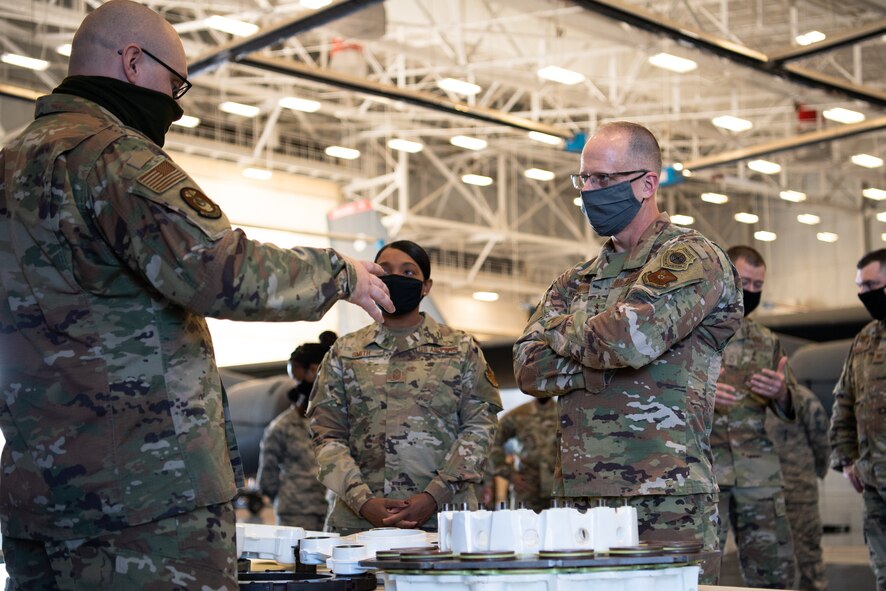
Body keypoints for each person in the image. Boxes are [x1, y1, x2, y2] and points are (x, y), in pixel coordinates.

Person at [0, 2, 394, 588]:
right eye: (174, 82)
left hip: (39, 494)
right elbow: (218, 269)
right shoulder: (114, 156)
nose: (176, 105)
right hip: (144, 495)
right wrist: (339, 274)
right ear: (133, 62)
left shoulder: (11, 164)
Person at [513, 121, 743, 583]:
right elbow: (527, 368)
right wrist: (605, 360)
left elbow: (626, 340)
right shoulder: (574, 280)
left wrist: (569, 335)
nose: (591, 192)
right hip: (579, 502)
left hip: (665, 498)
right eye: (585, 179)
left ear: (647, 184)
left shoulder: (690, 257)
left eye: (604, 179)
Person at [308, 240, 502, 535]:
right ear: (373, 279)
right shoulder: (345, 352)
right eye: (386, 271)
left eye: (409, 273)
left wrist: (433, 496)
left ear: (426, 286)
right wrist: (362, 501)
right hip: (359, 523)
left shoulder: (461, 349)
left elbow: (479, 429)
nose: (397, 278)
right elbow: (327, 435)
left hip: (445, 521)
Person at [712, 245, 798, 588]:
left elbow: (791, 410)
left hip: (758, 476)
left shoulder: (766, 341)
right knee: (696, 573)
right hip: (705, 475)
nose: (750, 291)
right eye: (743, 281)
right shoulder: (689, 334)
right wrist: (699, 393)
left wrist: (781, 393)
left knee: (773, 574)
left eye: (758, 285)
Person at [830, 248, 886, 591]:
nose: (864, 294)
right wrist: (848, 459)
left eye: (872, 285)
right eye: (860, 286)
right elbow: (844, 401)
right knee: (882, 572)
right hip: (874, 482)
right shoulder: (865, 339)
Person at [258, 340, 335, 531]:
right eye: (297, 380)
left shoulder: (339, 422)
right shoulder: (282, 426)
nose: (299, 385)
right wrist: (292, 498)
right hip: (297, 516)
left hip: (334, 512)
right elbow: (267, 478)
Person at [766, 384, 831, 591]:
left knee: (809, 559)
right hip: (763, 494)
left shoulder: (802, 399)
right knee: (769, 562)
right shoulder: (749, 401)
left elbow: (822, 442)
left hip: (800, 493)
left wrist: (816, 472)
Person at [489, 398, 559, 512]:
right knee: (525, 527)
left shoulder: (563, 413)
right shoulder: (519, 414)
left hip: (558, 488)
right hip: (528, 488)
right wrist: (508, 472)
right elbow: (492, 442)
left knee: (561, 526)